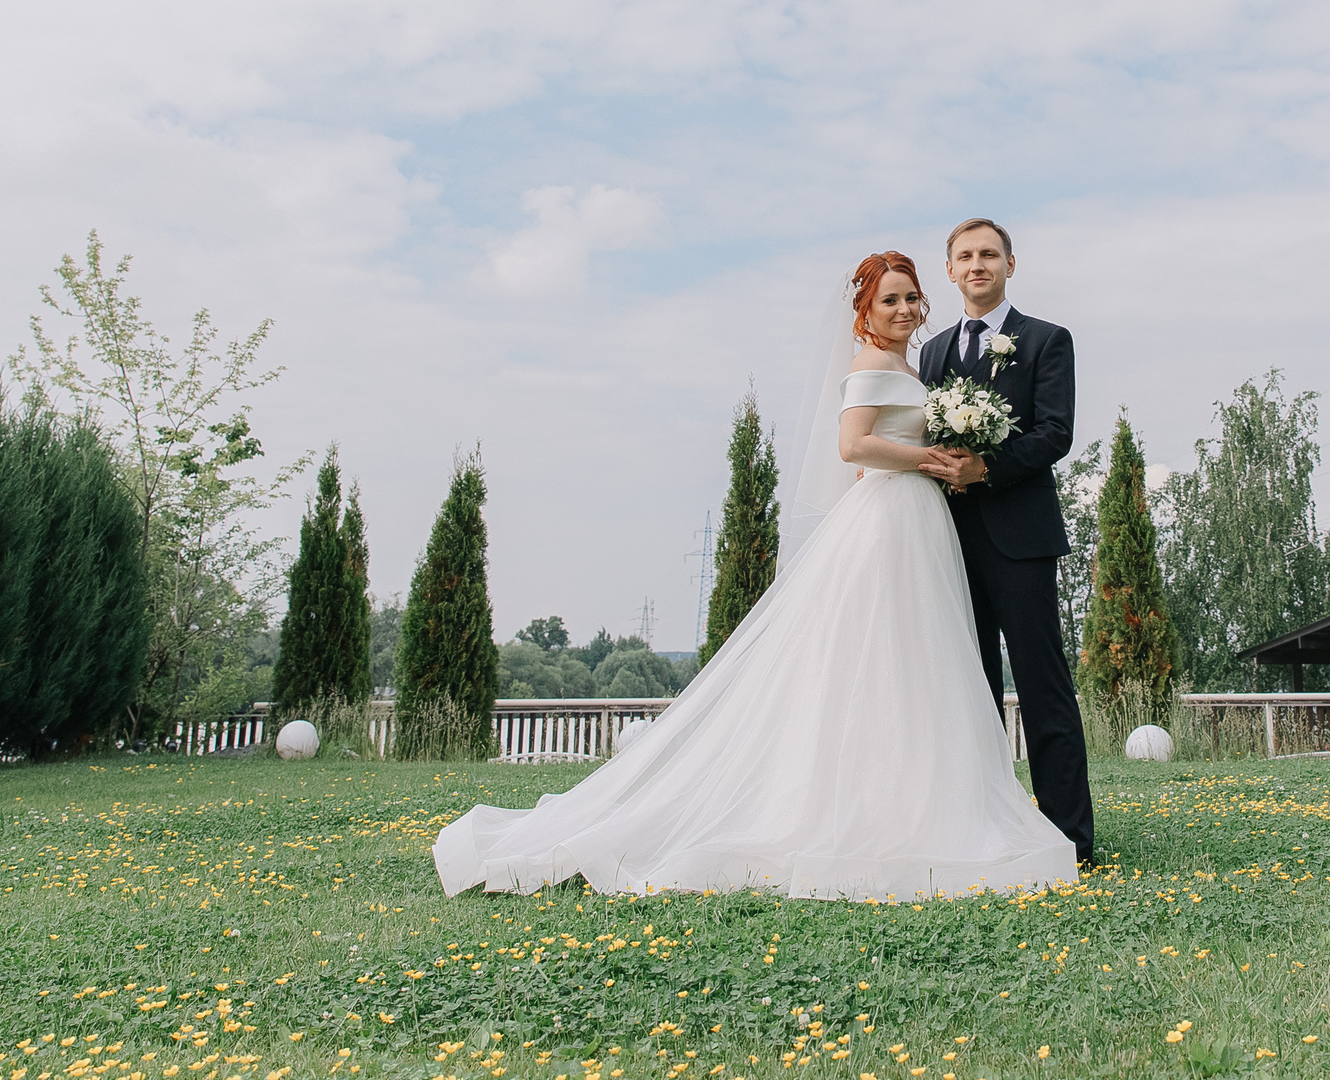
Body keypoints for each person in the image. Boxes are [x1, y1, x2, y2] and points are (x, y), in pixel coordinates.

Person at [429, 251, 1077, 901]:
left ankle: (926, 796)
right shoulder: (870, 363)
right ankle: (877, 809)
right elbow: (852, 445)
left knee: (919, 662)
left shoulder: (919, 363)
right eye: (890, 300)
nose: (905, 309)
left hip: (921, 521)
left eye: (911, 298)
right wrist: (926, 457)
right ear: (865, 310)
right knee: (884, 656)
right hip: (890, 519)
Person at [917, 217, 1097, 865]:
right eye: (964, 256)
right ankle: (987, 833)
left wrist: (985, 467)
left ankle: (1071, 840)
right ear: (950, 270)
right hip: (949, 540)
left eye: (988, 254)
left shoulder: (1048, 340)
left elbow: (1055, 433)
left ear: (1010, 264)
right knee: (972, 692)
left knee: (1044, 687)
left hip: (1021, 538)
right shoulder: (932, 352)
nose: (977, 265)